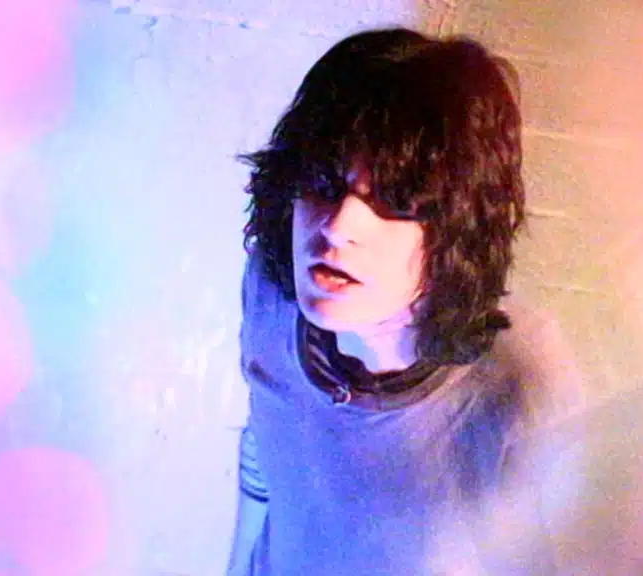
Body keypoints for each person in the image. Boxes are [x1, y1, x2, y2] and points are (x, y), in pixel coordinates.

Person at [228, 27, 583, 575]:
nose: (339, 226)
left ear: (456, 230)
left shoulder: (521, 384)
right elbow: (271, 446)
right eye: (323, 181)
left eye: (394, 201)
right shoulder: (273, 291)